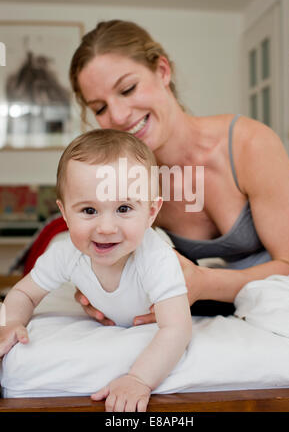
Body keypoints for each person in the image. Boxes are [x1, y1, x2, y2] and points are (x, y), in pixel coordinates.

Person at [69, 19, 289, 325]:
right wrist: (98, 287)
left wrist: (205, 283)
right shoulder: (131, 182)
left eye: (128, 89)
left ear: (163, 71)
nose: (119, 116)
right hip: (241, 302)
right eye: (99, 108)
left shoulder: (249, 144)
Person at [0, 129, 192, 412]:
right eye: (89, 211)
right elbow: (26, 293)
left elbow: (177, 328)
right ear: (64, 213)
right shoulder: (66, 252)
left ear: (151, 212)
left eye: (124, 208)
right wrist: (11, 322)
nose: (105, 228)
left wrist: (139, 378)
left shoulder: (157, 257)